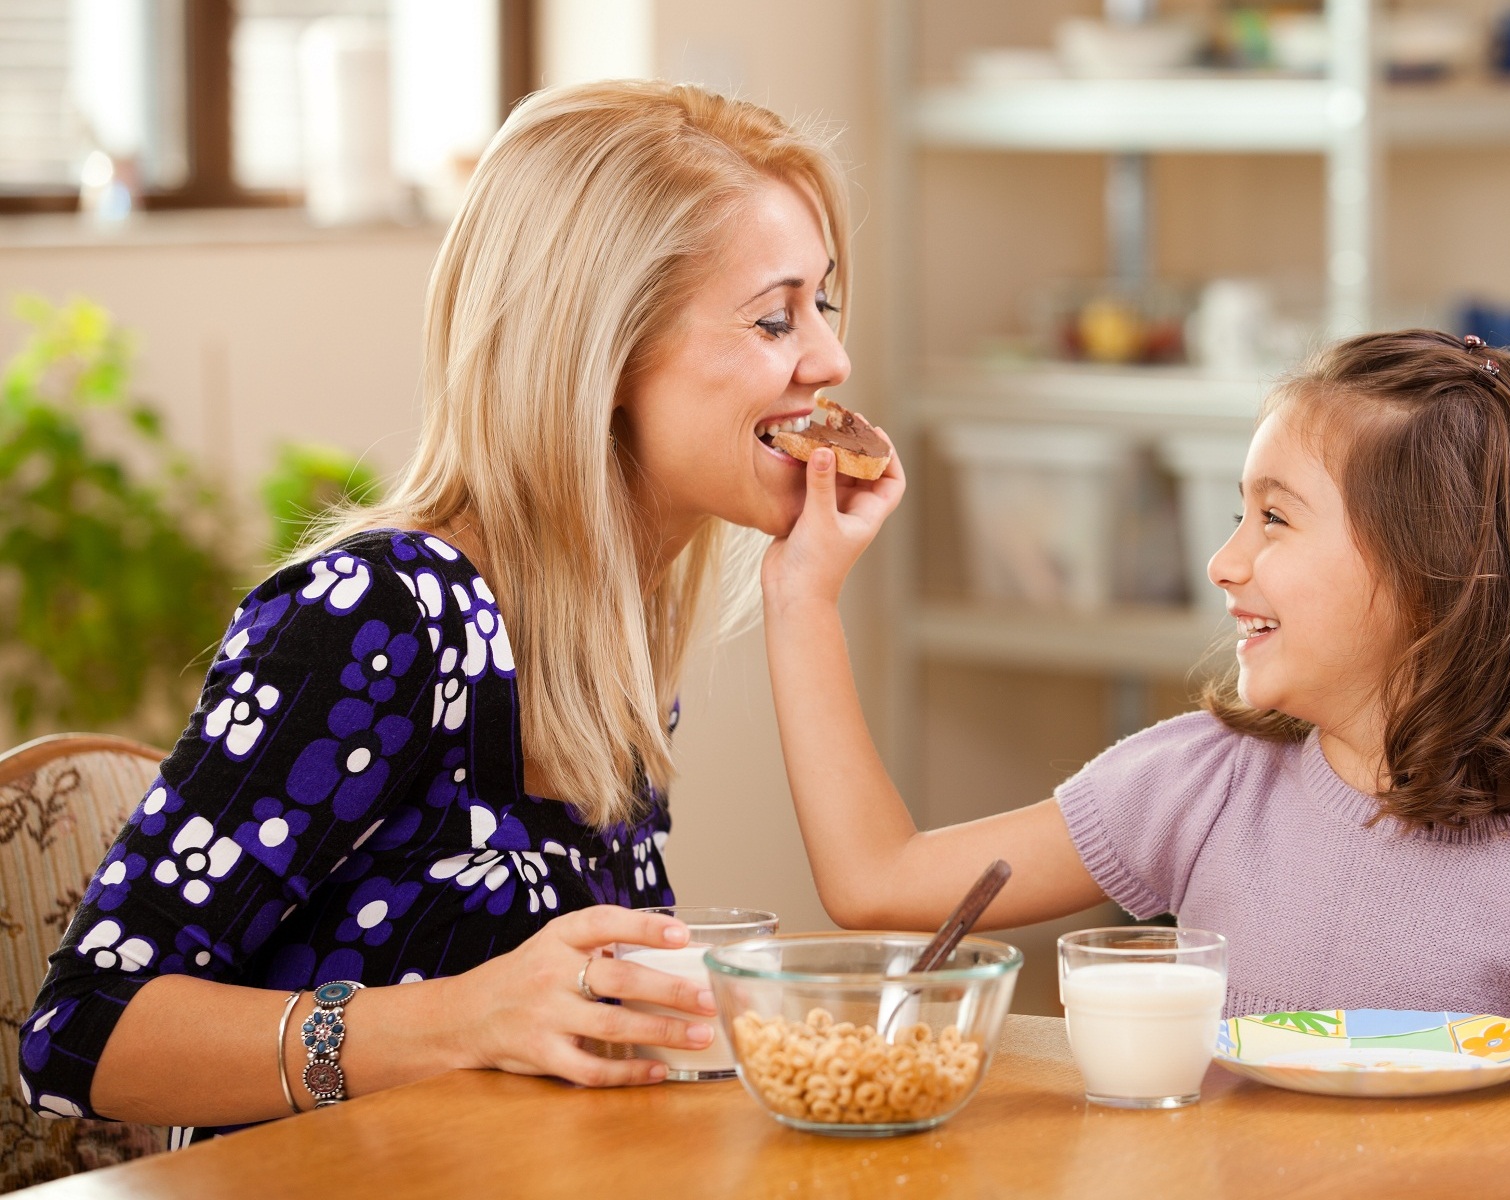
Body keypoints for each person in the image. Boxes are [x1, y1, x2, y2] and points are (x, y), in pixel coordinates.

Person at [21, 80, 890, 1143]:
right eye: (773, 317)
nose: (831, 360)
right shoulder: (375, 619)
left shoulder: (602, 637)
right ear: (603, 351)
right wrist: (463, 1021)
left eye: (824, 304)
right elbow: (81, 1036)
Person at [761, 330, 1510, 1070]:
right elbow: (878, 882)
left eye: (1275, 518)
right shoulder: (1202, 784)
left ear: (1446, 573)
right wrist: (802, 596)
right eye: (1237, 513)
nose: (1225, 562)